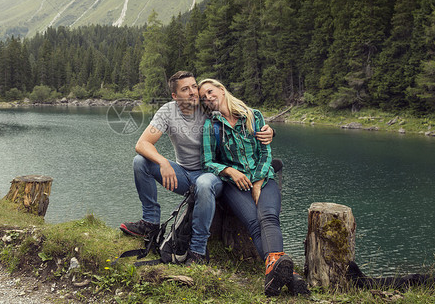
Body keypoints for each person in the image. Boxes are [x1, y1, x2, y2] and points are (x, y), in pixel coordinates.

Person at [120, 71, 274, 264]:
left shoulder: (209, 106)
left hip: (213, 176)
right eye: (186, 89)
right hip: (183, 174)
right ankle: (150, 223)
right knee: (140, 161)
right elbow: (142, 144)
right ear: (175, 96)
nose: (193, 92)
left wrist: (269, 131)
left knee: (203, 183)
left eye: (194, 86)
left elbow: (242, 117)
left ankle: (197, 251)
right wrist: (164, 162)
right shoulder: (168, 112)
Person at [198, 78, 308, 297]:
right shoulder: (211, 125)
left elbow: (266, 152)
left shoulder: (253, 116)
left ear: (222, 89)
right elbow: (208, 162)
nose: (208, 98)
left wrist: (257, 182)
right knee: (254, 223)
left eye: (210, 92)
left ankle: (276, 275)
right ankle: (290, 275)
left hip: (264, 179)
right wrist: (230, 171)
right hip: (234, 185)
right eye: (203, 97)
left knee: (268, 217)